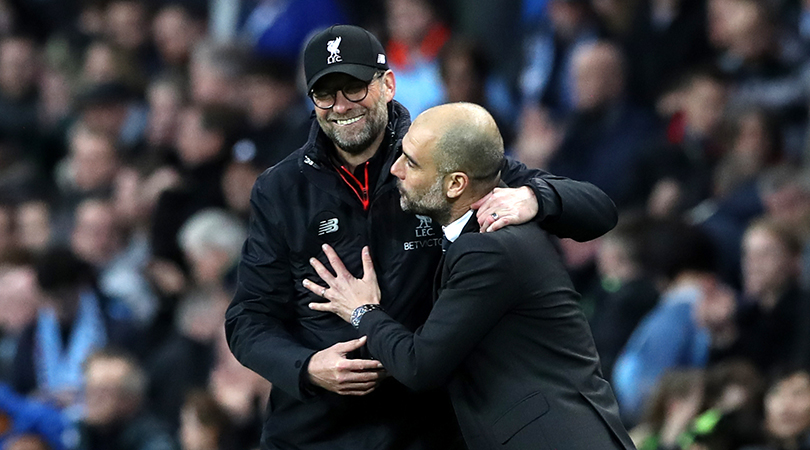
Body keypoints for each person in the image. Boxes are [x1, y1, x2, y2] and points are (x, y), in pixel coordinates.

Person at [225, 24, 618, 450]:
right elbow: (247, 318)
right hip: (313, 431)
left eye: (355, 88)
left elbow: (597, 211)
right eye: (326, 93)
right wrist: (306, 367)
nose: (341, 106)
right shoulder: (280, 189)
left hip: (424, 427)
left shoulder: (436, 155)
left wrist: (535, 196)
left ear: (388, 84)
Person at [303, 102, 634, 450]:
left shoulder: (486, 249)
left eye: (411, 163)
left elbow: (420, 366)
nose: (396, 169)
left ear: (456, 184)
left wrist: (362, 310)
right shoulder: (482, 217)